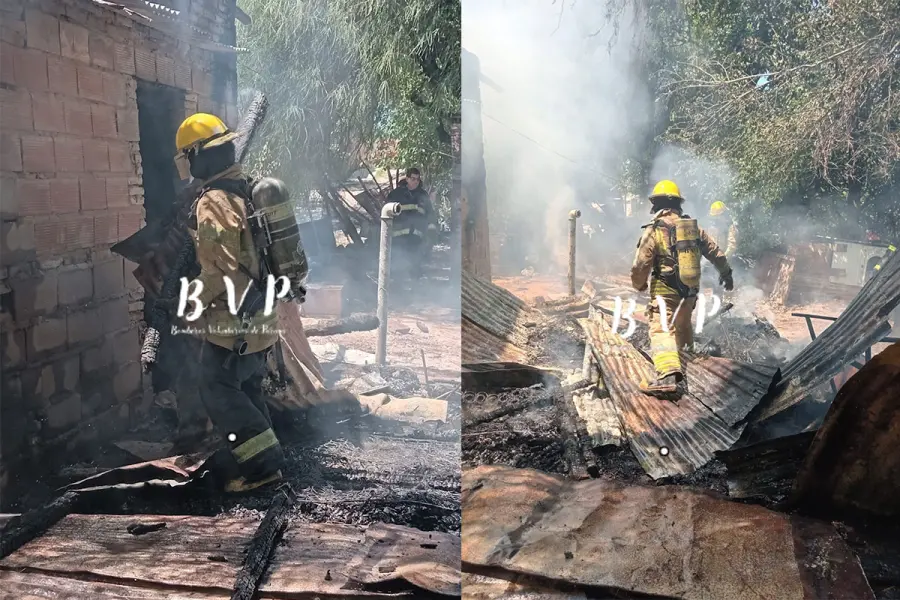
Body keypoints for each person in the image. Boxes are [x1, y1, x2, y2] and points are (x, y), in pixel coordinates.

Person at [172, 113, 285, 493]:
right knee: (247, 388)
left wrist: (187, 304)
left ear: (197, 155)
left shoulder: (215, 201)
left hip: (235, 323)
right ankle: (265, 455)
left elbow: (219, 271)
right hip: (261, 316)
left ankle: (263, 469)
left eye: (188, 157)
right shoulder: (245, 188)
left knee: (216, 387)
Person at [631, 180, 734, 398]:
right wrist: (727, 275)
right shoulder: (693, 229)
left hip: (665, 291)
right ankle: (688, 366)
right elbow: (716, 254)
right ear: (678, 204)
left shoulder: (654, 230)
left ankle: (667, 376)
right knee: (683, 325)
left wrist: (639, 284)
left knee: (662, 329)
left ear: (656, 204)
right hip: (690, 291)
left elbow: (641, 264)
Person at [387, 168, 438, 280]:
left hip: (416, 239)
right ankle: (398, 286)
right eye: (413, 179)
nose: (415, 182)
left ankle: (415, 287)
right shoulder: (395, 195)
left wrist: (432, 228)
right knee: (398, 266)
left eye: (418, 179)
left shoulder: (423, 195)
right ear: (407, 179)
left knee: (415, 266)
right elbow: (386, 214)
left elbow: (430, 213)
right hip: (398, 239)